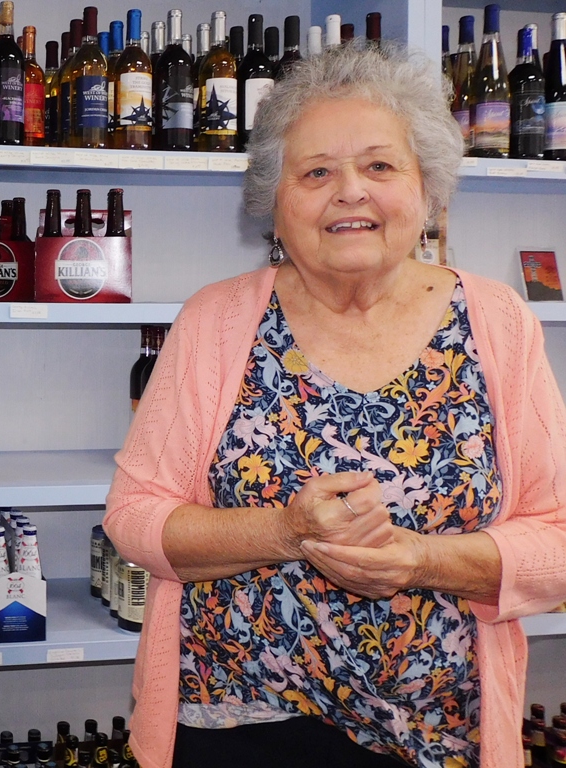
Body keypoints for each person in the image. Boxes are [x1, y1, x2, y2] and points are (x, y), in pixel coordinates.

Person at [104, 40, 566, 768]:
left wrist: (419, 559)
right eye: (317, 171)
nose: (350, 192)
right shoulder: (215, 320)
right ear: (275, 202)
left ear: (428, 190)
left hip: (439, 734)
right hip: (236, 722)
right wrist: (286, 530)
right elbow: (134, 519)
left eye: (380, 166)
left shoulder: (499, 321)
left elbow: (558, 540)